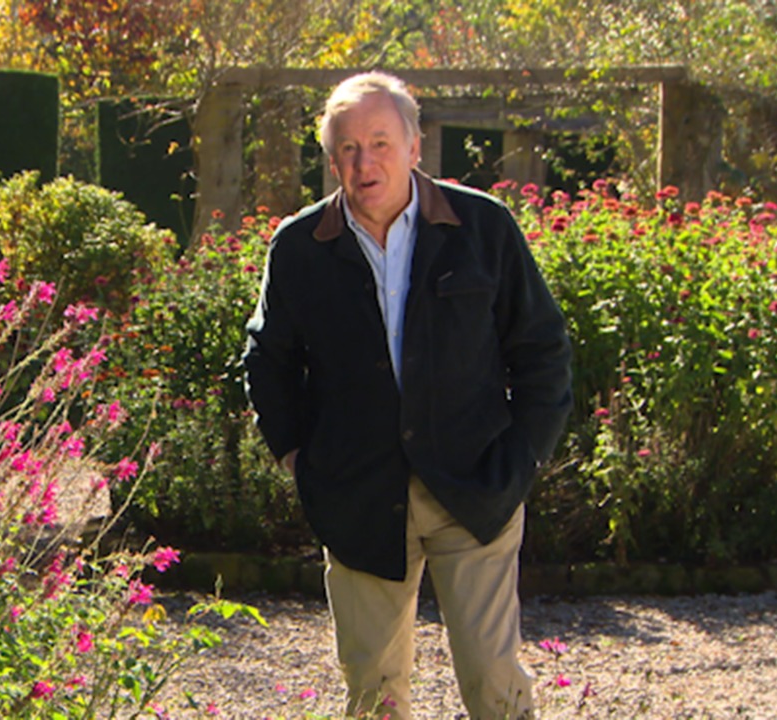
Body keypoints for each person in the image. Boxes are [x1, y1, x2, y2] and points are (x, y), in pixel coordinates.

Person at [243, 71, 573, 720]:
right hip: (358, 495)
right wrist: (298, 462)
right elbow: (268, 360)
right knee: (373, 690)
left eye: (381, 143)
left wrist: (522, 459)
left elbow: (542, 350)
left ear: (416, 146)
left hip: (475, 485)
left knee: (494, 680)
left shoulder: (483, 228)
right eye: (347, 148)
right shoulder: (301, 248)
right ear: (332, 157)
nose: (364, 162)